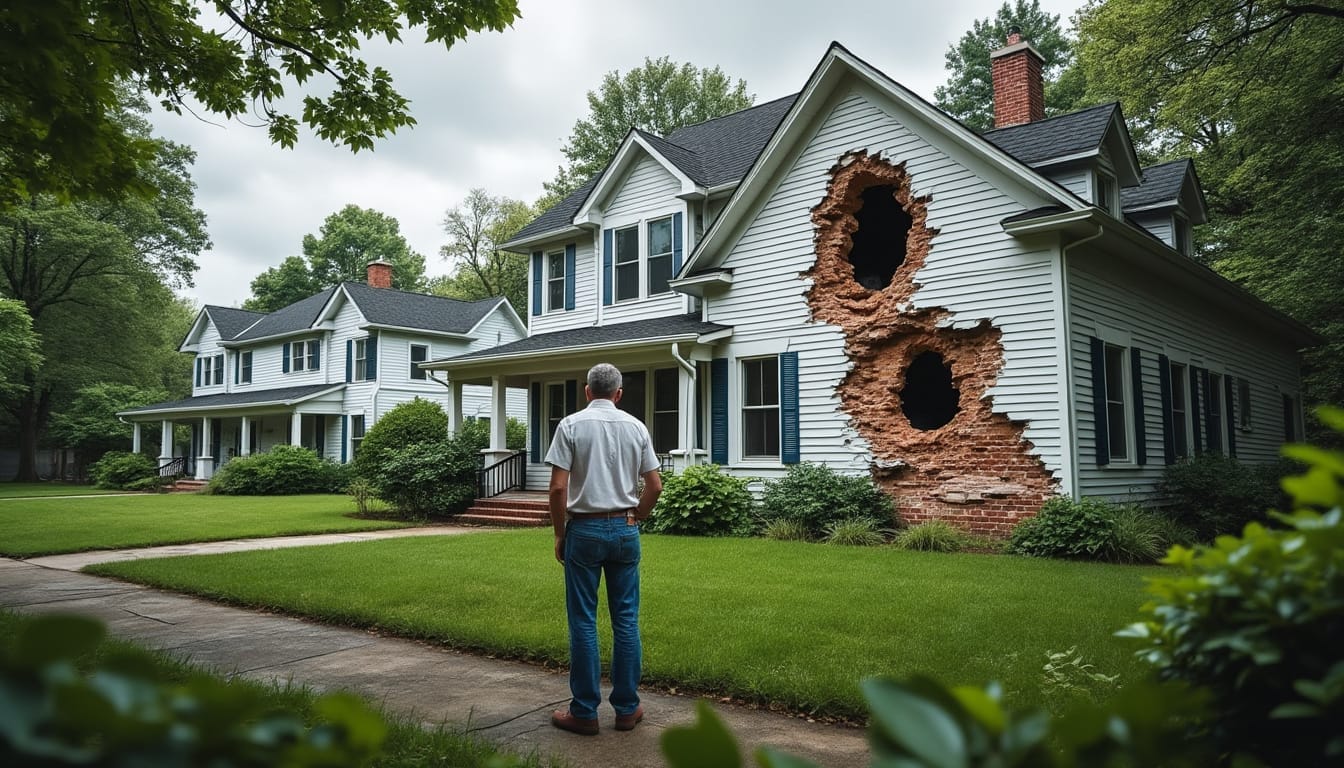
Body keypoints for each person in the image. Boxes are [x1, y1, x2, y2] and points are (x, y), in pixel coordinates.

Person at [545, 363, 663, 736]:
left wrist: (560, 534)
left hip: (585, 529)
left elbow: (557, 490)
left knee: (583, 620)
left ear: (586, 391)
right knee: (625, 619)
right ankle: (627, 709)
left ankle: (585, 712)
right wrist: (637, 516)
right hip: (625, 530)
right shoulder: (636, 427)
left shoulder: (570, 425)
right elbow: (655, 485)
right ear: (618, 393)